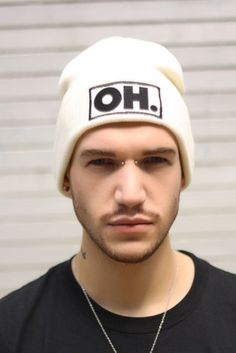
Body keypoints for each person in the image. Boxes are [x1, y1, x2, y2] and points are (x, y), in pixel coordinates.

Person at [0, 37, 235, 353]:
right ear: (66, 177)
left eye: (154, 161)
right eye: (100, 162)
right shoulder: (10, 332)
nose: (130, 194)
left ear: (182, 174)